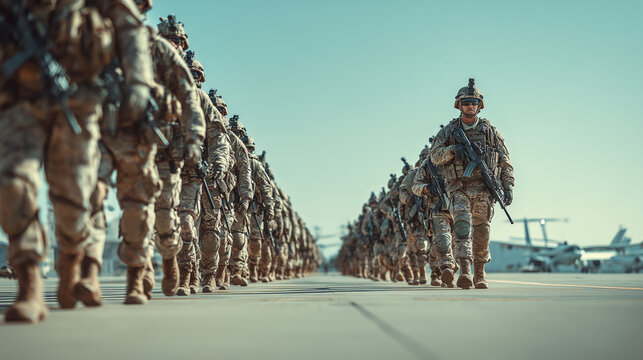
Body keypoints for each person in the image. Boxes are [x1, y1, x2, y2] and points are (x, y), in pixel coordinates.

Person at [429, 79, 514, 289]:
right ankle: (465, 271)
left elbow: (505, 161)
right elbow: (434, 157)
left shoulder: (491, 132)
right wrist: (452, 151)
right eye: (466, 102)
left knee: (482, 231)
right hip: (459, 188)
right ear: (459, 105)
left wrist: (508, 186)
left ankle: (480, 273)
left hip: (485, 189)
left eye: (473, 102)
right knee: (462, 228)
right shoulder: (449, 131)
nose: (470, 105)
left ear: (479, 105)